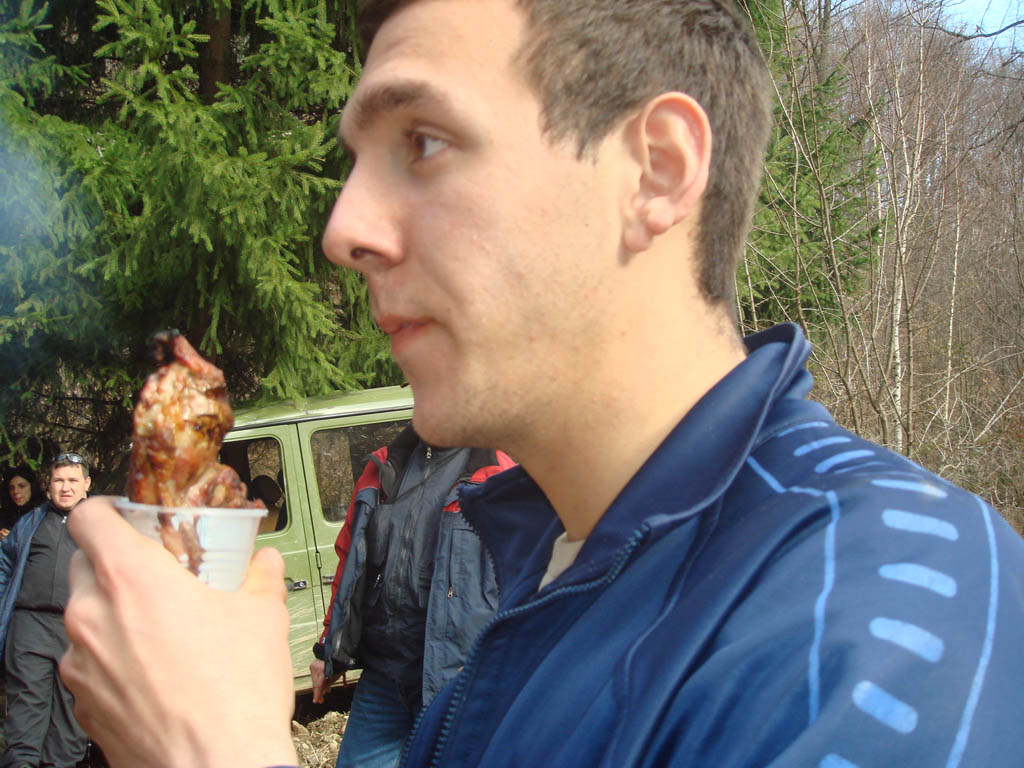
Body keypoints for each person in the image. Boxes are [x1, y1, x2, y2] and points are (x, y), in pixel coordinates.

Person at [58, 0, 1024, 766]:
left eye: (423, 141)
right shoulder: (544, 583)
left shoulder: (890, 614)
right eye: (356, 163)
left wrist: (216, 751)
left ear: (656, 171)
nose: (343, 229)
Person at [309, 425, 514, 768]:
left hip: (455, 680)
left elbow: (528, 578)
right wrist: (330, 646)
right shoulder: (383, 467)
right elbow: (351, 562)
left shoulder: (497, 473)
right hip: (384, 676)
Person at [0, 453, 91, 767]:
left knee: (70, 711)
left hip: (77, 631)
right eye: (58, 480)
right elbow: (4, 564)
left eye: (73, 481)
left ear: (86, 484)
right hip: (30, 625)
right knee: (26, 705)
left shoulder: (103, 526)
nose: (66, 488)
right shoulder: (30, 522)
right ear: (49, 485)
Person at [1, 468, 45, 540]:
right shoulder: (5, 514)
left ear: (32, 486)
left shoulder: (44, 512)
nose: (15, 491)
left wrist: (13, 540)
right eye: (11, 488)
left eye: (22, 486)